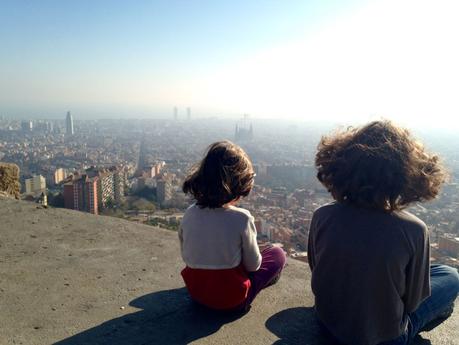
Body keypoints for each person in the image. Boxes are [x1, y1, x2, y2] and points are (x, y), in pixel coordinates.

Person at [308, 120, 459, 345]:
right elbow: (412, 303)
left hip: (327, 325)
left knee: (436, 270)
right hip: (385, 339)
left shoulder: (323, 215)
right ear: (406, 173)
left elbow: (316, 269)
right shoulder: (413, 229)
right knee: (450, 276)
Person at [179, 140, 286, 311]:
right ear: (240, 184)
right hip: (232, 302)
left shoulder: (189, 213)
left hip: (197, 294)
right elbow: (253, 266)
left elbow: (187, 256)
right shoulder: (241, 218)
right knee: (277, 253)